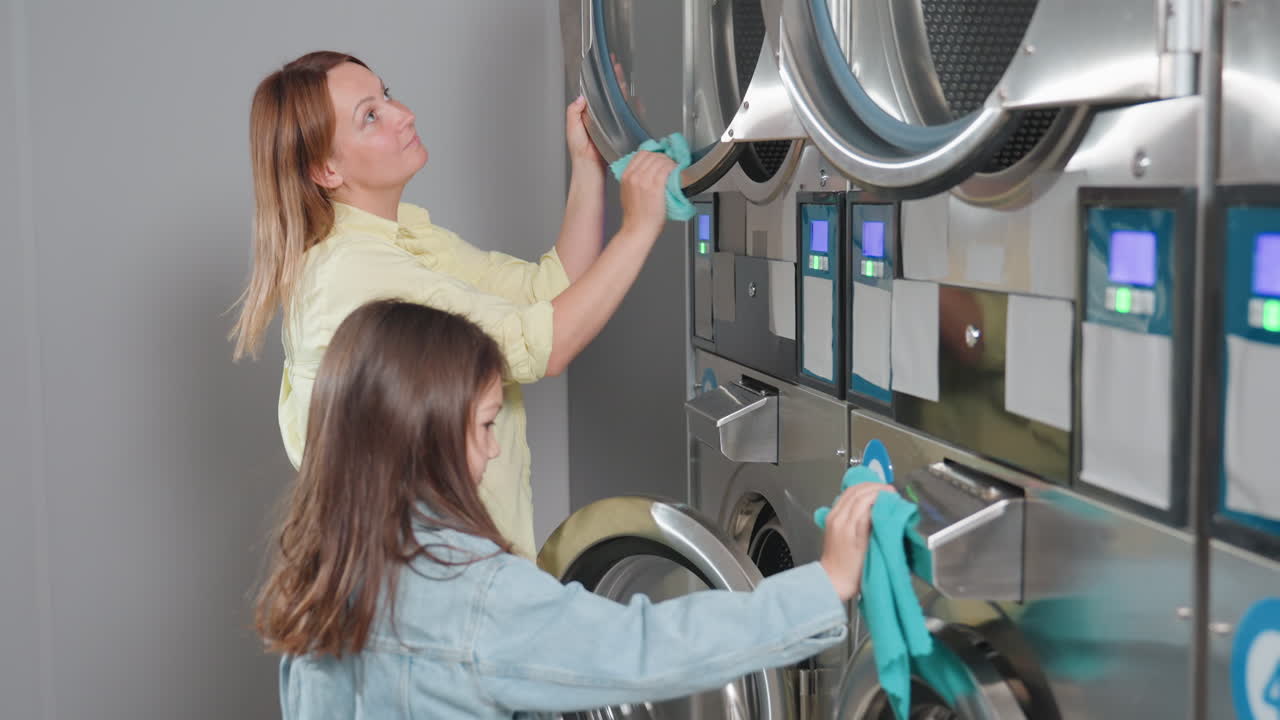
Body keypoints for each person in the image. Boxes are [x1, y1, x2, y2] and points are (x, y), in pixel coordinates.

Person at [254, 300, 892, 719]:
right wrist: (826, 584)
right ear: (424, 439)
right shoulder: (474, 593)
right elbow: (646, 648)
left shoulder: (322, 578)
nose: (493, 447)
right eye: (482, 425)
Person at [231, 51, 677, 558]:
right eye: (370, 116)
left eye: (388, 94)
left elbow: (547, 294)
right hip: (439, 575)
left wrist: (587, 162)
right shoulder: (352, 273)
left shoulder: (408, 238)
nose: (404, 115)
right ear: (326, 169)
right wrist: (639, 229)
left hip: (468, 563)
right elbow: (543, 346)